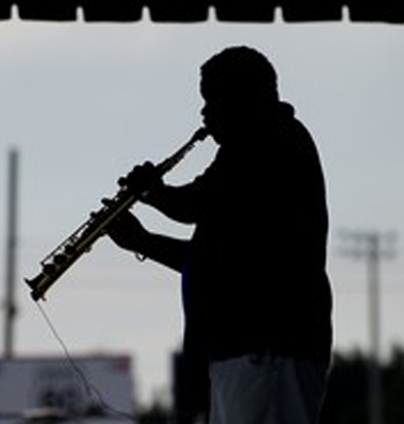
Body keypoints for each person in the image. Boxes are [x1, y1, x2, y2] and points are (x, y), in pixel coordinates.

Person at [106, 46, 333, 424]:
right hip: (244, 351)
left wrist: (151, 189)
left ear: (245, 97)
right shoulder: (249, 148)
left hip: (270, 346)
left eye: (213, 100)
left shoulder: (270, 141)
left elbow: (192, 205)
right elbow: (210, 259)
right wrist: (140, 241)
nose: (205, 113)